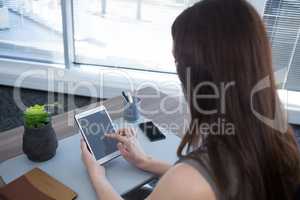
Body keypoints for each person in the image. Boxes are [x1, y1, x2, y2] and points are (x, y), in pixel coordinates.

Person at [81, 0, 300, 199]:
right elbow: (210, 184)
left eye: (178, 64)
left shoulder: (188, 181)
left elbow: (192, 185)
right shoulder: (279, 135)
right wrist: (145, 162)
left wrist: (97, 175)